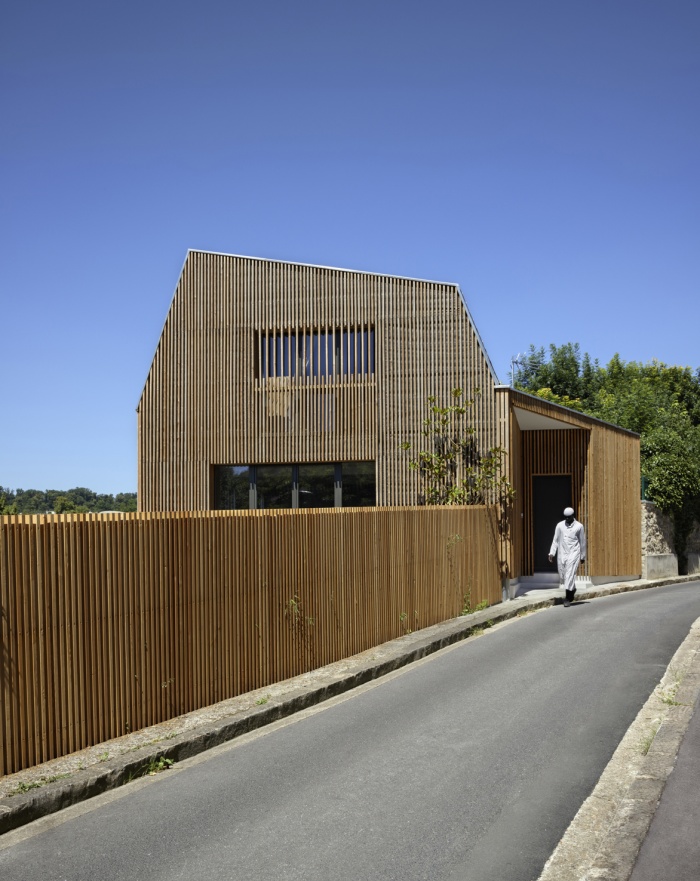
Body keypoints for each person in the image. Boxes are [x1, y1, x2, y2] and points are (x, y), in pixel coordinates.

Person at [548, 507, 586, 607]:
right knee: (563, 575)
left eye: (569, 517)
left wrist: (583, 556)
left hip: (574, 553)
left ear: (573, 516)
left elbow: (582, 542)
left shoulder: (579, 526)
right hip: (562, 553)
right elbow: (555, 540)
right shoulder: (560, 525)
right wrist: (552, 553)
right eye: (566, 517)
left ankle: (567, 598)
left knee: (570, 574)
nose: (567, 519)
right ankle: (572, 590)